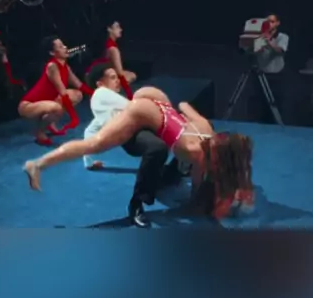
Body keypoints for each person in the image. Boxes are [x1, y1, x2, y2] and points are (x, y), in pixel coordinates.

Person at [23, 86, 254, 220]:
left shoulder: (205, 127)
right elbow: (196, 192)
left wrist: (178, 120)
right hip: (141, 111)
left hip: (157, 100)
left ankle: (166, 174)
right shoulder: (196, 154)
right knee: (94, 144)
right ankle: (38, 164)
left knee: (171, 154)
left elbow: (184, 105)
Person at [83, 63, 176, 228]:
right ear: (100, 83)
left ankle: (166, 174)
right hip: (129, 134)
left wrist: (88, 162)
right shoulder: (101, 93)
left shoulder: (103, 101)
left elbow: (91, 129)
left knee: (173, 139)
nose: (117, 80)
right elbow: (134, 107)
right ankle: (136, 203)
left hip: (138, 127)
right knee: (158, 147)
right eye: (112, 78)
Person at [18, 35, 94, 146]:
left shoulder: (65, 67)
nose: (65, 47)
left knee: (77, 95)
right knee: (56, 107)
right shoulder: (52, 66)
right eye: (60, 46)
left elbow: (79, 85)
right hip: (28, 105)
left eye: (64, 45)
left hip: (47, 101)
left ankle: (50, 122)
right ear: (52, 53)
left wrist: (96, 93)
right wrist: (74, 117)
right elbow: (62, 92)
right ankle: (39, 132)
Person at [86, 19, 136, 99]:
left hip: (93, 75)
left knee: (129, 74)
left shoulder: (107, 43)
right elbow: (120, 74)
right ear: (109, 29)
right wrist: (130, 96)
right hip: (94, 77)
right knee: (130, 76)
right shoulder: (112, 48)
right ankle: (107, 93)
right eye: (117, 27)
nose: (120, 29)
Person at [254, 13, 289, 123]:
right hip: (261, 74)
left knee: (276, 103)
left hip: (276, 74)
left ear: (278, 23)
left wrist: (269, 41)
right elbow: (255, 52)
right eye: (267, 21)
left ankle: (276, 126)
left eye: (272, 21)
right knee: (260, 104)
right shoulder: (259, 37)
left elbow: (280, 51)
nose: (269, 24)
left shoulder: (283, 37)